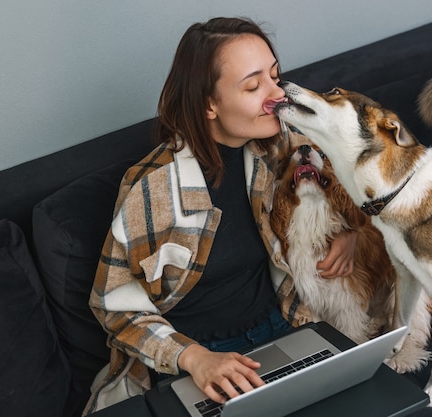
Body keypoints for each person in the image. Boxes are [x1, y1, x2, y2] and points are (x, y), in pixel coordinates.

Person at [83, 16, 358, 415]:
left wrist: (349, 229)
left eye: (275, 76)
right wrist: (194, 359)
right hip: (197, 361)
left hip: (282, 327)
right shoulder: (153, 190)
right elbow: (113, 304)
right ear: (208, 104)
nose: (277, 95)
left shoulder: (278, 144)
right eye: (253, 85)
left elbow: (353, 172)